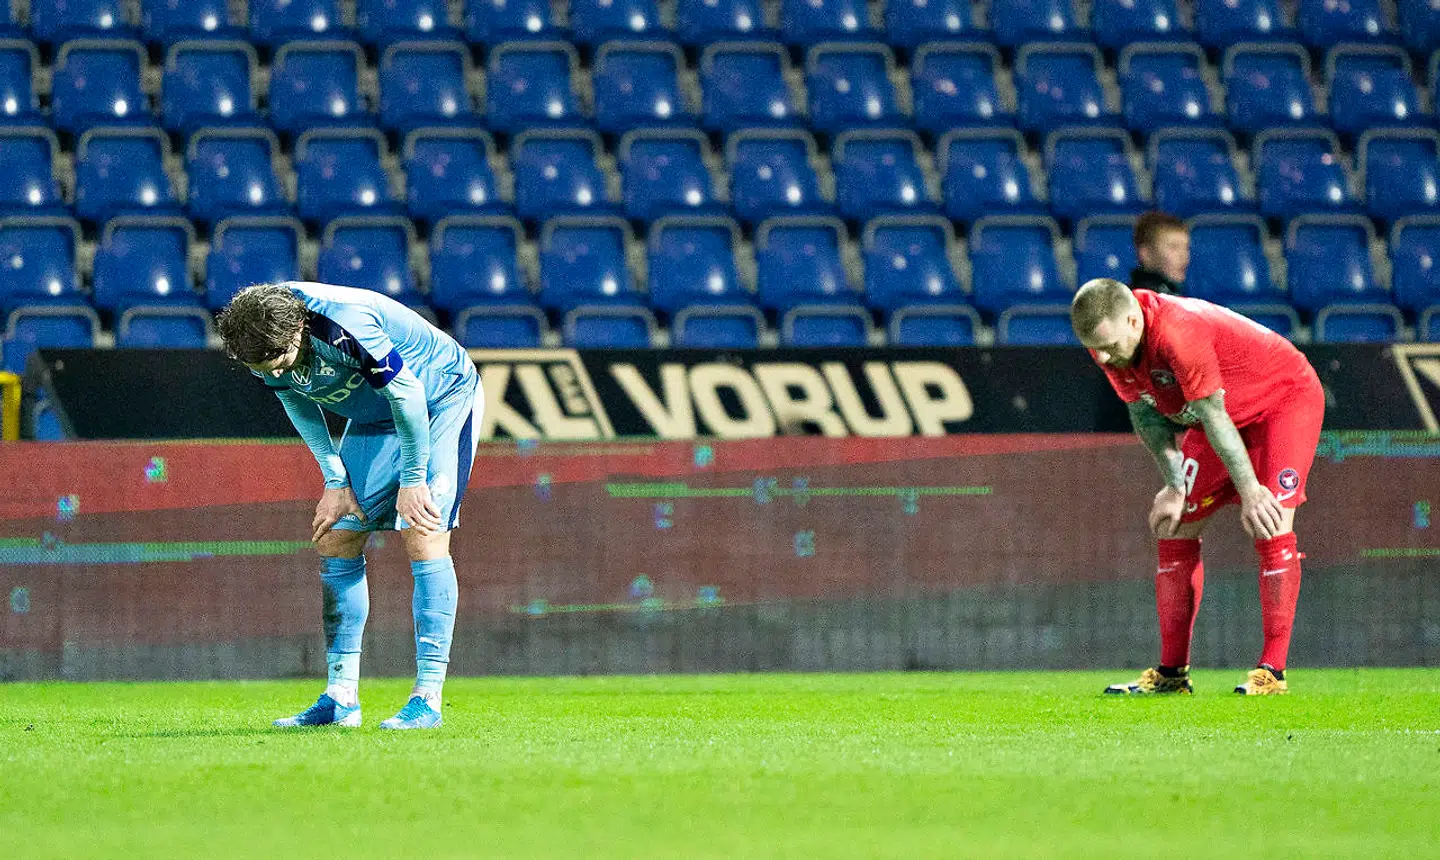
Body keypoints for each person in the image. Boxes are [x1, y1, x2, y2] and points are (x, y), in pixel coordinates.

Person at [217, 282, 483, 729]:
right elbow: (294, 399)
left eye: (281, 360)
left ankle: (427, 699)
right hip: (375, 416)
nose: (274, 371)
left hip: (439, 399)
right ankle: (341, 696)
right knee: (337, 535)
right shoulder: (257, 335)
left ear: (299, 327)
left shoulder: (345, 322)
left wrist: (414, 480)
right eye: (264, 367)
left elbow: (409, 396)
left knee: (424, 531)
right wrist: (334, 480)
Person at [1070, 278, 1324, 695]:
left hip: (1283, 401)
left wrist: (1251, 489)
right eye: (1096, 349)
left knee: (1269, 521)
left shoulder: (1177, 331)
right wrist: (1173, 485)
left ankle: (1272, 672)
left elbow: (1212, 413)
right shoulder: (1109, 341)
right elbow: (1147, 416)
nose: (1103, 357)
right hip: (1217, 416)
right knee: (1174, 525)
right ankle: (1172, 675)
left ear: (1134, 321)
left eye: (1110, 347)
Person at [1130, 211, 1189, 296]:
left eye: (1186, 248)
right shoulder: (1133, 302)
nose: (1183, 256)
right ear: (1146, 253)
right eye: (1173, 247)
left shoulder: (1176, 296)